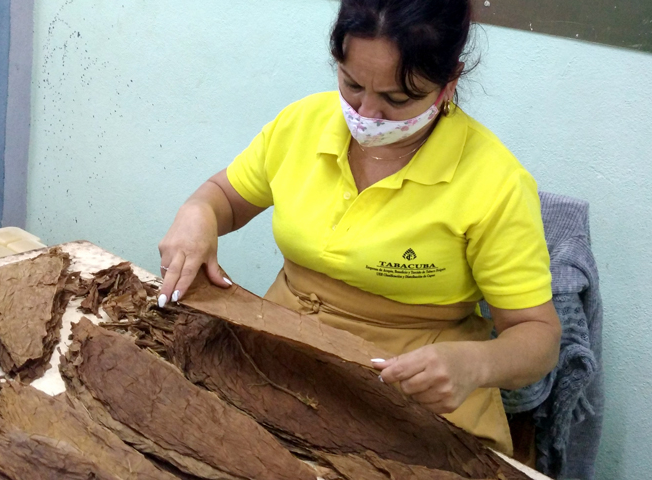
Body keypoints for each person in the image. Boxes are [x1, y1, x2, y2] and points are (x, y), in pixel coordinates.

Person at [158, 0, 560, 456]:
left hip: (409, 394)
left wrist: (477, 364)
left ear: (449, 84)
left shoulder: (495, 182)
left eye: (397, 99)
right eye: (352, 85)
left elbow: (538, 336)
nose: (367, 113)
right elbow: (225, 198)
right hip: (281, 355)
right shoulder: (303, 124)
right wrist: (197, 213)